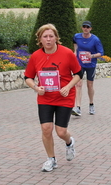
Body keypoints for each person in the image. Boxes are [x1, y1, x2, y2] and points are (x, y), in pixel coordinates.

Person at [24, 24, 83, 172]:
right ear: (40, 39)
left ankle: (69, 143)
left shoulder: (67, 53)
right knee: (46, 129)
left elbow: (78, 74)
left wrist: (68, 87)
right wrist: (36, 88)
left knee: (61, 131)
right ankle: (51, 159)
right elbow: (28, 77)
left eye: (51, 36)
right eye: (45, 37)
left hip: (64, 96)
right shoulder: (36, 56)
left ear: (56, 38)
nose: (49, 39)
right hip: (45, 97)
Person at [71, 21, 104, 116]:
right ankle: (78, 107)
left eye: (88, 27)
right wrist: (75, 52)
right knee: (78, 84)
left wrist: (91, 56)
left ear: (90, 29)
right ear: (82, 28)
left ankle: (91, 104)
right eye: (84, 27)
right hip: (79, 64)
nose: (86, 28)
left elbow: (101, 53)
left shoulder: (95, 39)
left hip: (91, 65)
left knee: (89, 85)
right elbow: (75, 43)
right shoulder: (77, 36)